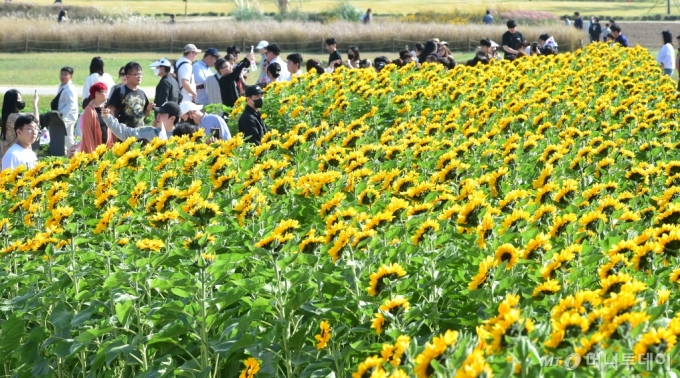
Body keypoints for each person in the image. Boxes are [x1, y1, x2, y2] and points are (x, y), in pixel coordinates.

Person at [102, 101, 180, 142]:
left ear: (172, 118)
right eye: (158, 113)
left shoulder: (181, 137)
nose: (158, 116)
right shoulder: (147, 131)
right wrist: (107, 117)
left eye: (162, 114)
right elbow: (125, 132)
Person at [107, 61, 153, 129]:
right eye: (136, 74)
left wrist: (148, 110)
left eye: (141, 74)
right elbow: (111, 110)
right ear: (128, 76)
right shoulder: (119, 91)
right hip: (123, 134)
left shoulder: (142, 93)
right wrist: (114, 129)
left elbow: (143, 115)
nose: (139, 77)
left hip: (140, 133)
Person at [1, 90, 40, 156]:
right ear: (12, 102)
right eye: (19, 99)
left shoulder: (7, 116)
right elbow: (35, 122)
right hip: (15, 153)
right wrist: (35, 105)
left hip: (7, 151)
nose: (21, 101)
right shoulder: (14, 117)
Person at [80, 82, 111, 153]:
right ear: (96, 94)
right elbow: (87, 133)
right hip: (94, 151)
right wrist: (92, 152)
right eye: (105, 92)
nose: (107, 94)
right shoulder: (89, 110)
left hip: (106, 150)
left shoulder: (104, 109)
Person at [55, 66, 78, 152]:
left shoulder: (70, 89)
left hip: (68, 116)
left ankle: (66, 153)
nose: (63, 76)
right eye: (61, 74)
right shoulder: (62, 86)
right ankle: (70, 154)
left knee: (61, 134)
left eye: (66, 74)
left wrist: (61, 116)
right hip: (64, 116)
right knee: (68, 137)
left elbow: (70, 105)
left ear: (71, 77)